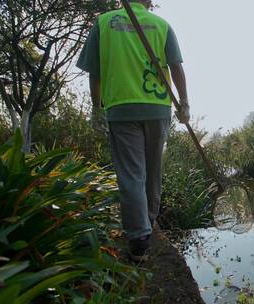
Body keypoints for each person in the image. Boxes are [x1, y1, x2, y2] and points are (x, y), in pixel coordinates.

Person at [76, 0, 190, 262]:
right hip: (158, 108)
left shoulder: (104, 23)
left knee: (131, 174)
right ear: (149, 2)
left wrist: (97, 108)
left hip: (121, 108)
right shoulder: (162, 25)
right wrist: (184, 103)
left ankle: (139, 239)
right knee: (153, 170)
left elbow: (95, 72)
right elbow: (176, 67)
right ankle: (148, 221)